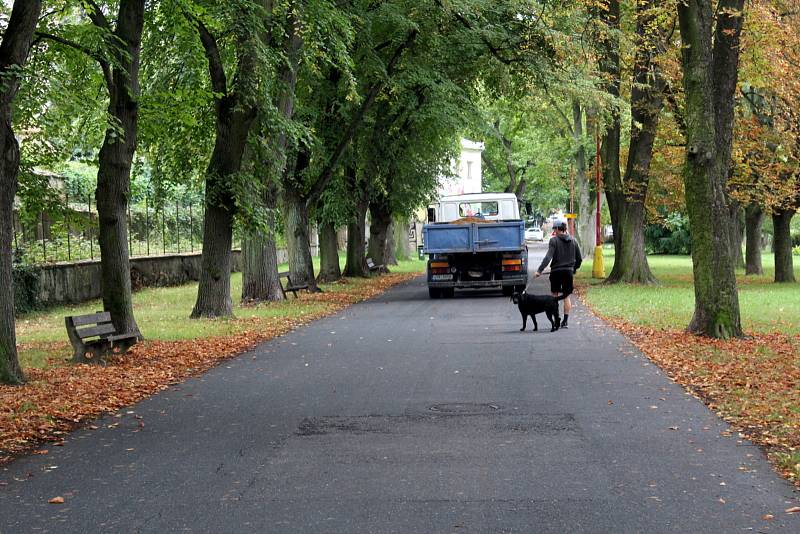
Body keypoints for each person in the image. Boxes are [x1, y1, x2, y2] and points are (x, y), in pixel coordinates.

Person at [534, 219, 582, 329]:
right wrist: (573, 269)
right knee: (566, 296)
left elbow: (548, 257)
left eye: (554, 229)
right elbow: (579, 259)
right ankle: (565, 321)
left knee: (554, 296)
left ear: (556, 229)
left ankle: (556, 319)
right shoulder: (573, 241)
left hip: (556, 272)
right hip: (568, 272)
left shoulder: (554, 241)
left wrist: (539, 270)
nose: (554, 231)